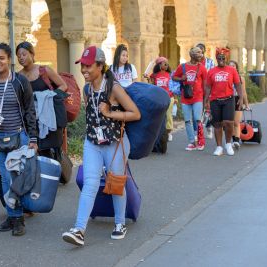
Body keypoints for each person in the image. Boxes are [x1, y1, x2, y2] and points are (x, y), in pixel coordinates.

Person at [62, 46, 140, 246]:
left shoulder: (113, 88)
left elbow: (135, 113)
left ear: (100, 66)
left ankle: (120, 223)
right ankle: (79, 230)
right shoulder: (87, 88)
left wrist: (110, 113)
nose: (84, 70)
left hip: (116, 144)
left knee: (115, 184)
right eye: (83, 66)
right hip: (93, 143)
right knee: (90, 184)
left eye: (88, 66)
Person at [0, 43, 38, 236]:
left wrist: (33, 137)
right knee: (6, 180)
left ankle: (19, 218)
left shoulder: (20, 82)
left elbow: (30, 110)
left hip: (18, 135)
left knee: (17, 178)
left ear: (9, 60)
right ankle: (13, 216)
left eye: (2, 58)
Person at [16, 41, 67, 159]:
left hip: (49, 116)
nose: (21, 58)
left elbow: (63, 85)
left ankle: (57, 174)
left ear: (32, 55)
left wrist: (46, 96)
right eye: (18, 56)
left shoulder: (44, 70)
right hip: (31, 120)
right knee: (36, 151)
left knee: (53, 151)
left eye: (24, 54)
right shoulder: (18, 77)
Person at [204, 48, 243, 156]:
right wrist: (206, 100)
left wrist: (240, 97)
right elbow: (208, 87)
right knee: (217, 124)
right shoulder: (211, 71)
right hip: (215, 100)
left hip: (229, 99)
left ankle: (228, 144)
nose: (221, 59)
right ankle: (219, 147)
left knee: (229, 123)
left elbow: (238, 84)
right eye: (219, 58)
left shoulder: (232, 70)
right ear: (216, 59)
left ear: (226, 59)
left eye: (223, 58)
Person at [172, 47, 207, 151]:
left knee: (197, 119)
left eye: (201, 53)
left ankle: (201, 141)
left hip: (198, 97)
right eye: (198, 53)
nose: (201, 55)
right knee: (187, 121)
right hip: (185, 97)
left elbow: (205, 86)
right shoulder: (182, 66)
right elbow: (174, 77)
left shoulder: (202, 68)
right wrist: (181, 78)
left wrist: (206, 100)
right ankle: (192, 142)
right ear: (192, 55)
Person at [150, 57, 175, 141]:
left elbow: (173, 86)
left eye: (167, 63)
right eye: (164, 63)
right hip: (159, 98)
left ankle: (169, 132)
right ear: (159, 65)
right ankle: (159, 132)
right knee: (159, 115)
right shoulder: (154, 75)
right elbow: (151, 84)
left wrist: (174, 98)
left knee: (168, 115)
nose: (166, 65)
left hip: (169, 97)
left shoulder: (170, 74)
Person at [229, 60, 250, 149]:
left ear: (236, 67)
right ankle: (233, 140)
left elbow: (243, 92)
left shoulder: (241, 78)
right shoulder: (225, 77)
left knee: (236, 122)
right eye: (230, 66)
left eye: (233, 66)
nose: (231, 67)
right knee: (230, 123)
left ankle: (236, 141)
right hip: (228, 100)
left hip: (238, 99)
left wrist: (246, 104)